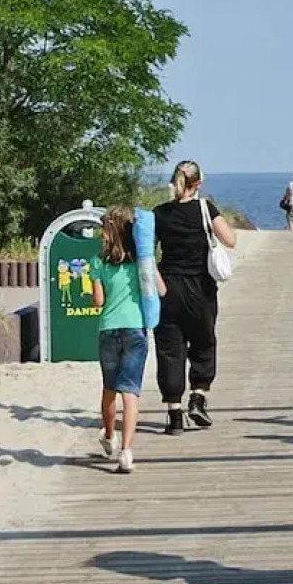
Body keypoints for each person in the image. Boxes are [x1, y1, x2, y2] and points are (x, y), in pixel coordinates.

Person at [154, 161, 238, 435]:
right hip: (200, 288)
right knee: (203, 343)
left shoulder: (160, 213)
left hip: (168, 288)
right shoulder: (205, 208)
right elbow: (230, 239)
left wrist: (157, 284)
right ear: (198, 183)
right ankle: (198, 397)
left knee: (170, 350)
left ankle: (174, 415)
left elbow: (144, 253)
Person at [91, 205, 165, 473]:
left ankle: (109, 435)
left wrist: (93, 289)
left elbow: (99, 301)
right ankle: (126, 451)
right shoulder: (141, 261)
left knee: (109, 388)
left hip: (109, 328)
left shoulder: (97, 261)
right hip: (136, 329)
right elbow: (162, 290)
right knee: (131, 391)